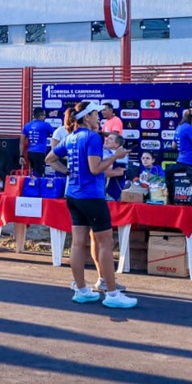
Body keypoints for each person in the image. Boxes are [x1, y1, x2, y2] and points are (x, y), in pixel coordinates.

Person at [46, 100, 136, 309]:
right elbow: (96, 169)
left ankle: (82, 289)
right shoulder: (93, 137)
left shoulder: (70, 137)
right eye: (96, 114)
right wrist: (117, 155)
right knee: (105, 242)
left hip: (73, 195)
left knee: (78, 243)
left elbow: (50, 158)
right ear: (87, 117)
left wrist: (67, 171)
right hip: (92, 196)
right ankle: (112, 294)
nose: (99, 117)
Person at [19, 108, 54, 174]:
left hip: (30, 153)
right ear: (40, 116)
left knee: (34, 172)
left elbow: (21, 141)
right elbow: (55, 134)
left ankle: (33, 183)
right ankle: (38, 184)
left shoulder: (27, 125)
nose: (44, 117)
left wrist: (21, 156)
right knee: (40, 173)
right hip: (40, 152)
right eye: (44, 115)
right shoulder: (45, 125)